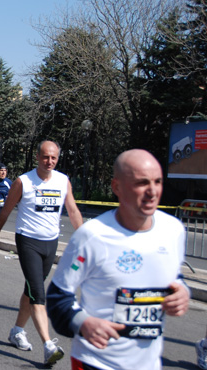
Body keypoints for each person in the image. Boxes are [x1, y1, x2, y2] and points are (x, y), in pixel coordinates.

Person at [46, 149, 190, 370]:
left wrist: (182, 291)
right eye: (141, 183)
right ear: (117, 187)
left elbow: (174, 277)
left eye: (158, 182)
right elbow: (58, 297)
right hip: (96, 362)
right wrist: (83, 322)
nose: (152, 191)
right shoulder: (92, 236)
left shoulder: (174, 230)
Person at [0, 140, 83, 367]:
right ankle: (49, 346)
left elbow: (73, 211)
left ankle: (17, 331)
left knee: (31, 290)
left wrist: (84, 241)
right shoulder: (23, 181)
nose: (49, 162)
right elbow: (5, 211)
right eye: (45, 157)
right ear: (37, 157)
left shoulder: (63, 181)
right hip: (28, 240)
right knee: (38, 294)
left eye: (53, 158)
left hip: (50, 243)